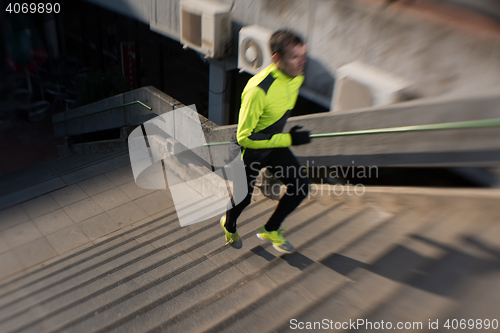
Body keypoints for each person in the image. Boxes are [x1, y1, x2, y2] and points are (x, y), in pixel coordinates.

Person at [220, 29, 311, 253]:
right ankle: (229, 224)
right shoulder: (258, 89)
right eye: (295, 57)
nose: (302, 62)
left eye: (303, 55)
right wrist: (289, 138)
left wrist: (285, 134)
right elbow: (245, 137)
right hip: (247, 151)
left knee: (300, 187)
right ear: (276, 59)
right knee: (243, 200)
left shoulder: (297, 77)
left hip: (271, 145)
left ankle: (271, 229)